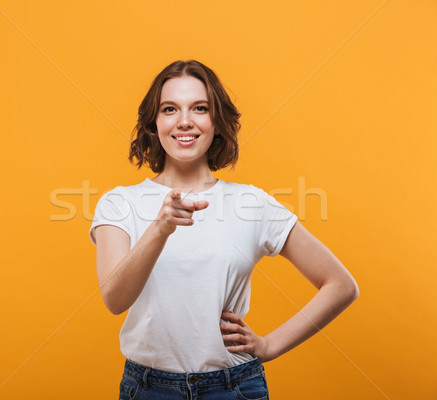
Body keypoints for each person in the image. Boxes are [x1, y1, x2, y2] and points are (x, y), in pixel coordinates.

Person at [89, 59, 359, 400]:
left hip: (235, 388)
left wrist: (270, 345)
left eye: (199, 108)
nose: (184, 121)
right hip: (148, 390)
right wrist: (160, 228)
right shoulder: (119, 204)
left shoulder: (252, 203)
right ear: (153, 124)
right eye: (170, 109)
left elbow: (341, 286)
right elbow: (115, 299)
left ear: (216, 122)